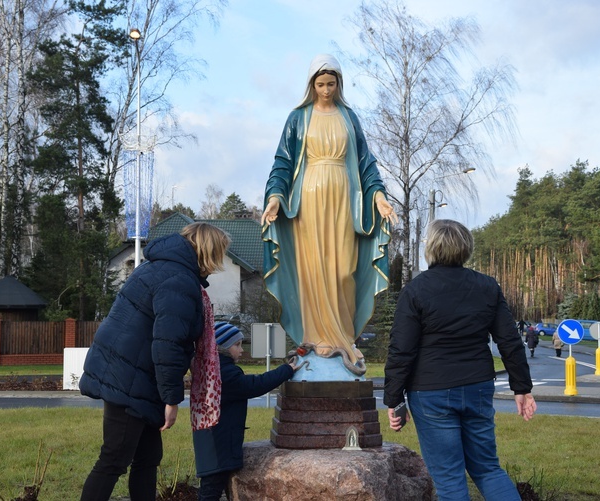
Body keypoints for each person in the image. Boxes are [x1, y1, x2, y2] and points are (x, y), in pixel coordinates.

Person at [260, 53, 398, 372]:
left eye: (331, 84)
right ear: (311, 85)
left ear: (339, 84)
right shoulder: (298, 118)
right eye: (320, 84)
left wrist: (378, 196)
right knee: (313, 269)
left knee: (343, 270)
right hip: (309, 200)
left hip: (344, 198)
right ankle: (316, 337)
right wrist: (276, 197)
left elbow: (366, 163)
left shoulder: (349, 117)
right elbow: (282, 162)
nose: (325, 90)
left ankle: (343, 337)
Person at [384, 219, 536, 501]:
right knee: (488, 468)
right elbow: (510, 341)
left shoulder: (415, 290)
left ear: (431, 248)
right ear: (465, 248)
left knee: (450, 480)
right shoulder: (487, 287)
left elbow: (401, 350)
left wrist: (394, 399)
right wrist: (522, 388)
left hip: (431, 393)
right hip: (477, 388)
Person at [79, 222, 231, 501]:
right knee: (114, 458)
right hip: (129, 378)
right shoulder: (180, 281)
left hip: (132, 374)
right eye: (219, 253)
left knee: (148, 458)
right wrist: (171, 400)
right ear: (209, 252)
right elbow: (168, 345)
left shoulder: (156, 267)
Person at [193, 322, 298, 500]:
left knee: (211, 489)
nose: (241, 350)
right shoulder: (224, 373)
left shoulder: (211, 368)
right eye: (237, 345)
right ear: (223, 347)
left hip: (212, 442)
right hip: (218, 445)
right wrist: (287, 370)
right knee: (210, 492)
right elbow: (254, 386)